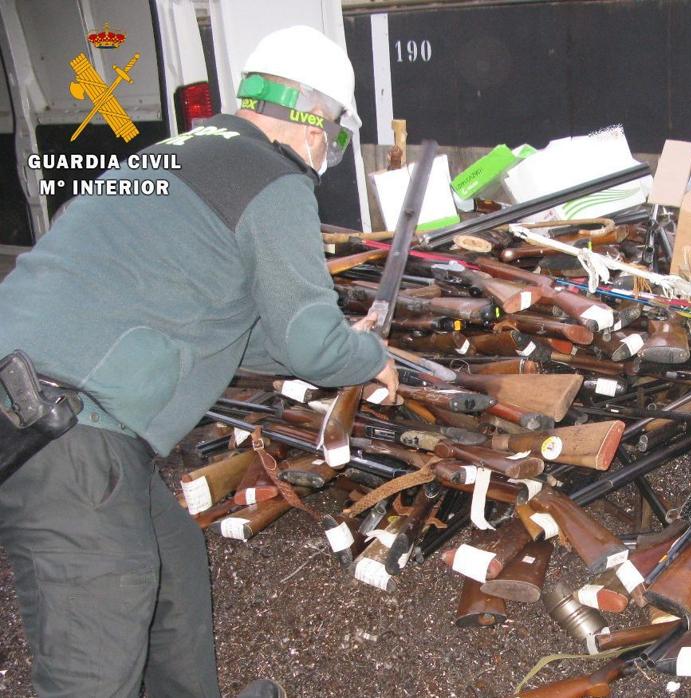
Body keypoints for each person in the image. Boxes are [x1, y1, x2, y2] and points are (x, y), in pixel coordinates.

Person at [0, 25, 395, 697]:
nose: (326, 151)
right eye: (333, 134)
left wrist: (337, 343)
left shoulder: (169, 156)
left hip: (36, 396)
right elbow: (307, 341)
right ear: (314, 121)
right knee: (95, 657)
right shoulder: (272, 179)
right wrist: (365, 353)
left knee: (172, 558)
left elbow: (228, 330)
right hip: (67, 428)